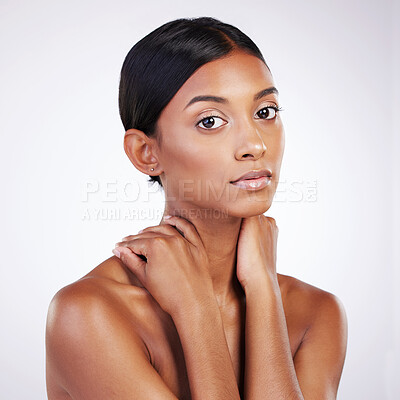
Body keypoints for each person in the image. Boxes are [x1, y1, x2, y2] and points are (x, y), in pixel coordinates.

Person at [45, 16, 348, 400]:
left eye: (265, 112)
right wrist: (198, 313)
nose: (254, 144)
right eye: (210, 121)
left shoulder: (316, 314)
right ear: (146, 153)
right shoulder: (89, 314)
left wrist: (264, 293)